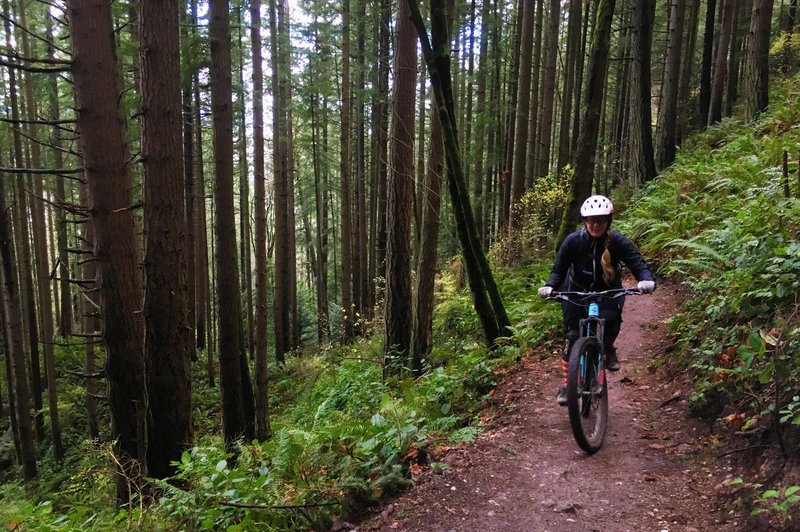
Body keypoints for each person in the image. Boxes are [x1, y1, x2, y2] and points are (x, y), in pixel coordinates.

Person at [538, 195, 655, 406]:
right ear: (584, 221)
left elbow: (637, 263)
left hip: (607, 291)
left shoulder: (617, 241)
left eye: (600, 220)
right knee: (572, 336)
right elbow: (559, 268)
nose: (595, 224)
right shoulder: (573, 241)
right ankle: (568, 385)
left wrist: (646, 279)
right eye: (590, 220)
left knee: (611, 321)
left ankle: (608, 348)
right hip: (576, 291)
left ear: (608, 221)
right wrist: (551, 286)